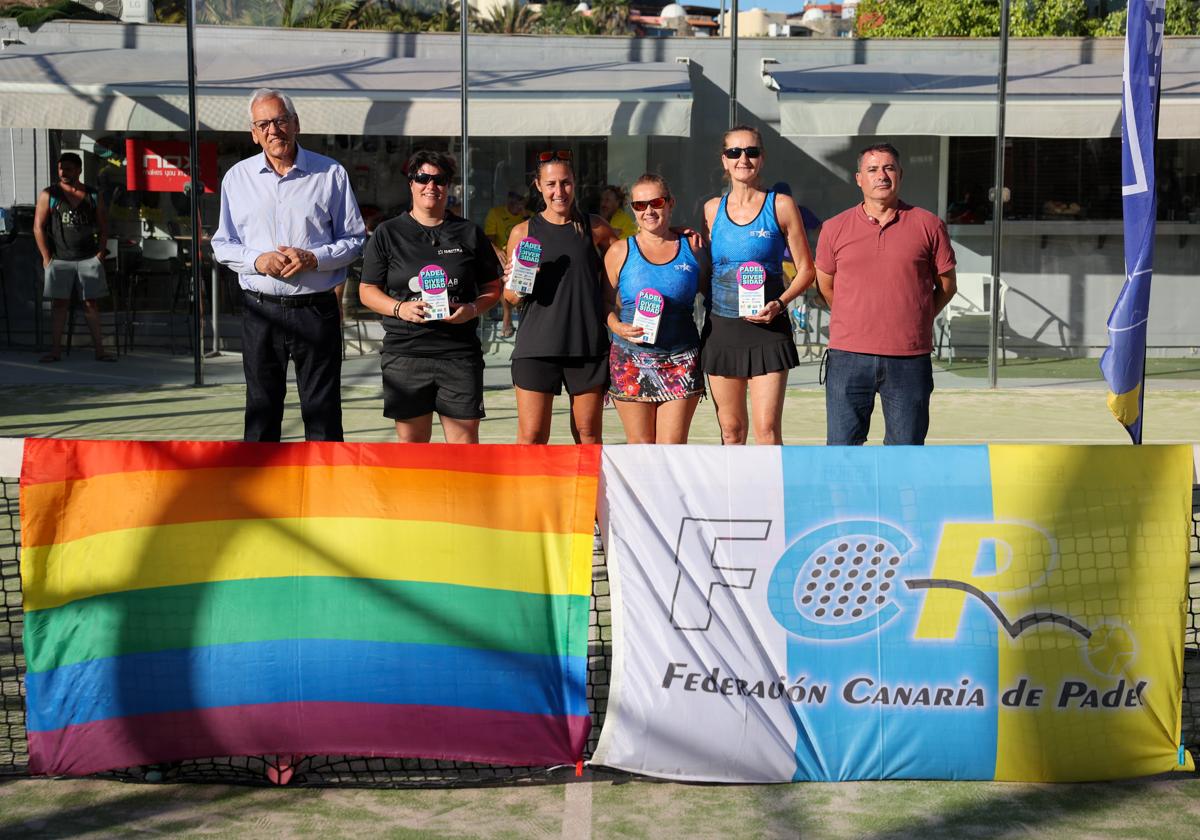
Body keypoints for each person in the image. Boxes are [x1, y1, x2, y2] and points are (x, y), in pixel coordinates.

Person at [212, 88, 366, 442]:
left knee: (323, 411)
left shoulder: (330, 174)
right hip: (259, 311)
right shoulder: (237, 178)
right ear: (253, 133)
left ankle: (325, 490)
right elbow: (223, 243)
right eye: (263, 124)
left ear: (295, 124)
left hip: (315, 310)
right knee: (261, 410)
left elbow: (355, 240)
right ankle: (260, 491)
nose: (273, 130)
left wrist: (315, 257)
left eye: (280, 120)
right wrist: (256, 260)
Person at [815, 142, 957, 446]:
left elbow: (947, 286)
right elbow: (826, 285)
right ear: (859, 179)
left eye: (889, 168)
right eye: (873, 169)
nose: (882, 175)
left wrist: (915, 317)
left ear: (900, 174)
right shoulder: (834, 228)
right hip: (848, 357)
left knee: (905, 452)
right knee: (842, 453)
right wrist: (854, 319)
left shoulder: (929, 224)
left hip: (909, 359)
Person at [357, 151, 502, 443]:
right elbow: (367, 291)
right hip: (406, 355)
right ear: (411, 183)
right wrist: (400, 309)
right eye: (423, 178)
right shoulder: (388, 233)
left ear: (448, 186)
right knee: (413, 452)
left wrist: (472, 309)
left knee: (464, 449)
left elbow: (493, 287)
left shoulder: (468, 233)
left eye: (440, 180)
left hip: (458, 355)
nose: (431, 186)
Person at [702, 125, 815, 445]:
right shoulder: (711, 210)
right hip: (722, 331)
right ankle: (731, 496)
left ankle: (769, 496)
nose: (743, 159)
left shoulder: (780, 205)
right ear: (724, 161)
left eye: (751, 152)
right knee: (731, 432)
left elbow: (807, 270)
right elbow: (706, 269)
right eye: (734, 152)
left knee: (767, 430)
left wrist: (779, 304)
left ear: (762, 158)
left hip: (768, 331)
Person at [504, 151, 620, 445]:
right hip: (536, 347)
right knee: (531, 437)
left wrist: (673, 236)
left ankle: (587, 493)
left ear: (575, 183)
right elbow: (510, 297)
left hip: (586, 346)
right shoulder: (523, 231)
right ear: (538, 186)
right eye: (551, 184)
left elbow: (630, 263)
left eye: (565, 183)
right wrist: (520, 282)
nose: (559, 191)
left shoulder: (595, 228)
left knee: (588, 436)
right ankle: (529, 493)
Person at [604, 174, 709, 444]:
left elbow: (712, 295)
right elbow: (602, 303)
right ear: (633, 210)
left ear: (670, 203)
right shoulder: (619, 251)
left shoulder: (693, 248)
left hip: (681, 360)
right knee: (640, 449)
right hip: (630, 360)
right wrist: (616, 326)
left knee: (671, 450)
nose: (649, 211)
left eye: (656, 202)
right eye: (640, 205)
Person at [33, 152, 115, 363]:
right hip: (59, 258)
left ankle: (100, 350)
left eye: (68, 168)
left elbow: (105, 225)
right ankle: (55, 351)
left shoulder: (92, 194)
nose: (63, 172)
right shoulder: (49, 194)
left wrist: (100, 254)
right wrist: (46, 257)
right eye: (61, 168)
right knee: (59, 304)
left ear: (78, 170)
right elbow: (38, 227)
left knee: (91, 304)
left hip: (88, 258)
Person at [483, 189, 529, 338]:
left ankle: (521, 313)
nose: (515, 202)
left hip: (521, 258)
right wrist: (497, 251)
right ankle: (507, 315)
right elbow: (487, 240)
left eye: (520, 199)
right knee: (502, 275)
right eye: (513, 197)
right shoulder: (495, 213)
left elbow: (535, 238)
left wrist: (525, 216)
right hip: (502, 257)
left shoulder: (529, 216)